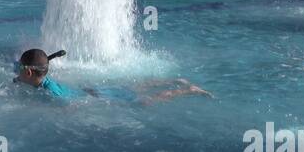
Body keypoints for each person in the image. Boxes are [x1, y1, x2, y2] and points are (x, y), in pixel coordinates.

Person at [12, 48, 211, 102]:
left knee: (143, 101)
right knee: (131, 89)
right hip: (90, 91)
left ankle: (187, 90)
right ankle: (174, 80)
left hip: (92, 97)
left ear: (29, 72)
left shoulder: (52, 94)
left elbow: (70, 107)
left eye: (21, 70)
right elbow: (20, 70)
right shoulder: (39, 79)